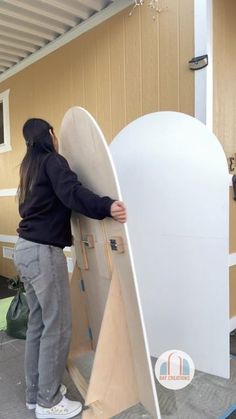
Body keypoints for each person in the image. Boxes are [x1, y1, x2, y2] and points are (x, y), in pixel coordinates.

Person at [13, 118, 127, 419]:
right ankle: (49, 403)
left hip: (24, 249)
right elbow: (72, 193)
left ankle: (36, 395)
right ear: (50, 135)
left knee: (38, 326)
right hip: (42, 254)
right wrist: (107, 206)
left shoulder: (29, 169)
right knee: (58, 327)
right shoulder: (53, 161)